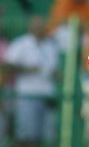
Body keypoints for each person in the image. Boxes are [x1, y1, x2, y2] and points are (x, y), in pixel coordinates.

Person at [3, 17, 59, 147]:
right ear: (31, 28)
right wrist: (27, 69)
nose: (39, 29)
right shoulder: (20, 43)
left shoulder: (51, 45)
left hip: (47, 96)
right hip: (27, 96)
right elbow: (6, 66)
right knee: (25, 137)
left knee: (42, 138)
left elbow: (55, 69)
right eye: (37, 26)